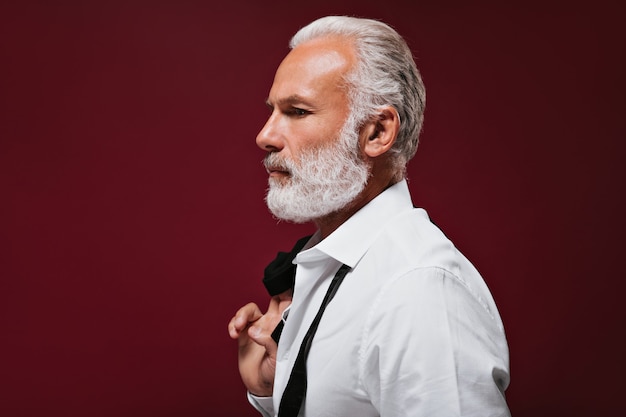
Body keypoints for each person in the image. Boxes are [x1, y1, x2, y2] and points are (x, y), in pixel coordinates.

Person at [228, 15, 510, 417]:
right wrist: (273, 393)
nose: (266, 135)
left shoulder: (418, 290)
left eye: (297, 111)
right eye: (273, 110)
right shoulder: (333, 266)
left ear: (377, 132)